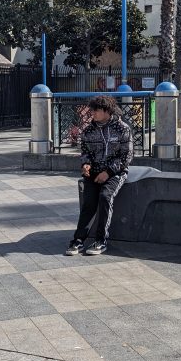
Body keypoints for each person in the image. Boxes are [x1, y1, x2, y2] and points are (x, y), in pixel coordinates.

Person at [66, 95, 133, 256]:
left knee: (105, 197)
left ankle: (101, 240)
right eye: (92, 110)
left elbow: (127, 156)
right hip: (94, 173)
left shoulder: (123, 129)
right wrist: (86, 164)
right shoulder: (89, 131)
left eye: (96, 110)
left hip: (115, 173)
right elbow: (86, 153)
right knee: (89, 202)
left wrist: (108, 172)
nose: (93, 113)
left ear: (107, 111)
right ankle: (78, 240)